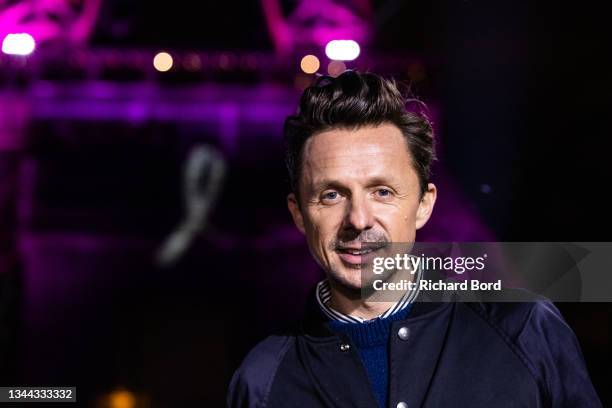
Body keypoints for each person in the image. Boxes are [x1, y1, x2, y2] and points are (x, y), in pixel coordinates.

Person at [227, 70, 601, 407]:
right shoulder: (262, 382)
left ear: (424, 205)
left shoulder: (524, 330)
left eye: (383, 192)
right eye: (332, 195)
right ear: (298, 214)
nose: (358, 219)